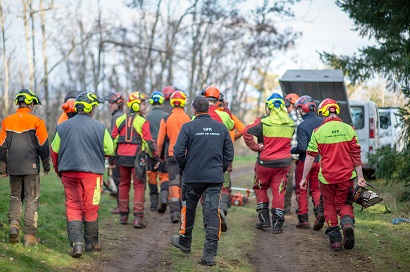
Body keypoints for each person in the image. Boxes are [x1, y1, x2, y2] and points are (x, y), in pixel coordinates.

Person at [171, 96, 234, 266]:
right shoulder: (221, 128)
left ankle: (185, 242)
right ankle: (209, 254)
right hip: (214, 178)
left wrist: (185, 166)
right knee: (212, 212)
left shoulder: (188, 127)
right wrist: (219, 169)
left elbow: (177, 152)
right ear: (208, 109)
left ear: (194, 110)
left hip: (192, 177)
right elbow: (229, 154)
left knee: (188, 208)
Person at [51, 91, 112, 257]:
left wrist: (58, 170)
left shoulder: (62, 126)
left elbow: (54, 151)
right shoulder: (100, 127)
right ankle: (91, 243)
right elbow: (109, 149)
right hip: (92, 174)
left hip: (69, 173)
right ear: (91, 108)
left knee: (73, 206)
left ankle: (77, 244)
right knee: (91, 207)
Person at [300, 98, 366, 251]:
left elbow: (310, 156)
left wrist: (304, 178)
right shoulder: (349, 129)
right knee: (345, 204)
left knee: (329, 205)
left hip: (327, 179)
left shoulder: (318, 132)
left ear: (323, 112)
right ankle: (348, 224)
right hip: (346, 177)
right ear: (336, 110)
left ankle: (335, 240)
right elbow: (356, 155)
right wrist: (360, 177)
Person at [0, 89, 50, 247]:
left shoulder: (7, 121)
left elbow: (1, 146)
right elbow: (43, 145)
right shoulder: (37, 121)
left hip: (13, 167)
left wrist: (2, 168)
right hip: (31, 168)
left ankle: (14, 226)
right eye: (33, 103)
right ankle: (29, 237)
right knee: (31, 200)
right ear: (29, 103)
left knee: (15, 197)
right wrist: (46, 165)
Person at [243, 93, 295, 234]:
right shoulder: (290, 123)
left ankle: (264, 219)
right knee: (279, 191)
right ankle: (278, 224)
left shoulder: (262, 121)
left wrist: (255, 147)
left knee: (260, 188)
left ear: (269, 107)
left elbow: (246, 132)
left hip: (264, 164)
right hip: (283, 163)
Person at [111, 92, 159, 228]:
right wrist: (155, 158)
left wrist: (112, 157)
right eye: (143, 104)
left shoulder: (119, 120)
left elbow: (113, 139)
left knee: (123, 184)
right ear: (136, 105)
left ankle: (123, 215)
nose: (145, 107)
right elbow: (149, 142)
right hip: (138, 158)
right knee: (139, 185)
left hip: (121, 158)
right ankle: (138, 218)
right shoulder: (142, 121)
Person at [290, 95, 324, 229]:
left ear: (303, 108)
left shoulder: (302, 125)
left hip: (305, 162)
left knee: (302, 189)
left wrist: (292, 150)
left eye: (299, 108)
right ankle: (319, 212)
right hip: (320, 161)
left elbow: (303, 147)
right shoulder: (323, 122)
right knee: (316, 189)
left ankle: (303, 219)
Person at [203, 86, 234, 232]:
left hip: (202, 160)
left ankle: (208, 221)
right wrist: (225, 110)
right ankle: (221, 209)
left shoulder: (197, 115)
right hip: (220, 159)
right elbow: (232, 125)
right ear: (217, 101)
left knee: (204, 189)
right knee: (224, 186)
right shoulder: (223, 116)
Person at [157, 90, 191, 223]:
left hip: (171, 155)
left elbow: (160, 142)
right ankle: (184, 211)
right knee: (185, 183)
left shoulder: (166, 119)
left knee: (173, 183)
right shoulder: (189, 118)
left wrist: (160, 156)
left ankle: (175, 213)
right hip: (187, 156)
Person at [146, 91, 169, 211]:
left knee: (152, 176)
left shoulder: (147, 117)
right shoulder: (166, 116)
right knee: (164, 175)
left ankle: (153, 205)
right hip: (163, 150)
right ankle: (164, 199)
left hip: (150, 150)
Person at [104, 92, 125, 214]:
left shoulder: (117, 117)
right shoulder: (120, 115)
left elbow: (113, 137)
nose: (110, 105)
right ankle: (122, 206)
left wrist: (111, 155)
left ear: (120, 104)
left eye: (112, 103)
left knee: (119, 181)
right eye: (109, 103)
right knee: (121, 181)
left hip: (118, 153)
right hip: (123, 152)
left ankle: (121, 206)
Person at [284, 93, 302, 213]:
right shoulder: (302, 118)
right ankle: (302, 208)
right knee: (302, 180)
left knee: (288, 181)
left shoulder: (288, 118)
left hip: (290, 154)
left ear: (288, 103)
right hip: (301, 154)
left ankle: (286, 207)